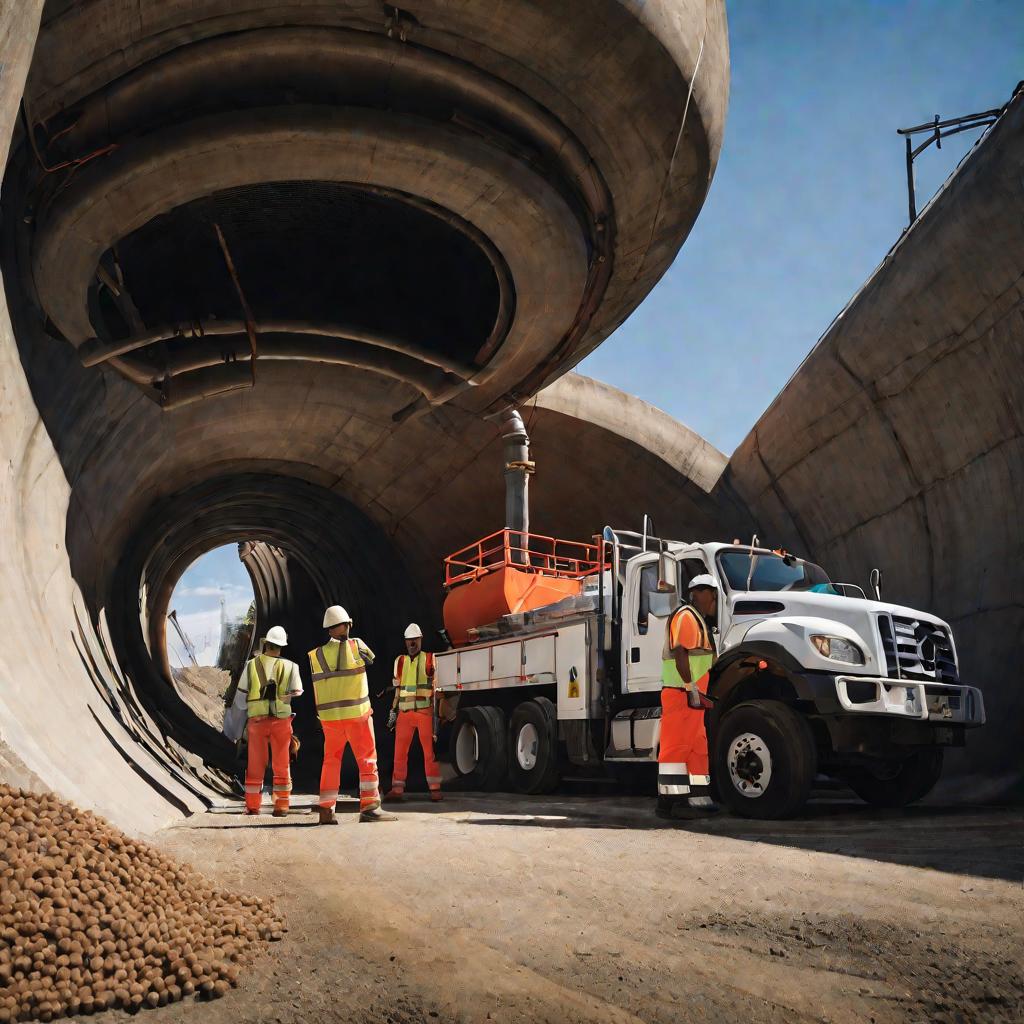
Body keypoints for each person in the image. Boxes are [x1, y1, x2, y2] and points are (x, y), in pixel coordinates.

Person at [309, 605, 396, 824]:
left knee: (331, 762)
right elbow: (372, 659)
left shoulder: (315, 655)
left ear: (328, 628)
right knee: (367, 761)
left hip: (330, 720)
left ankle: (326, 810)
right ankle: (369, 807)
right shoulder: (357, 646)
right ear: (347, 625)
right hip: (358, 716)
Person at [658, 574, 719, 818]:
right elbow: (681, 653)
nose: (714, 599)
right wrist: (690, 687)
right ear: (699, 593)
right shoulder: (686, 616)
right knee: (676, 747)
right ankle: (669, 803)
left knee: (697, 746)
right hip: (680, 693)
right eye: (711, 593)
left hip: (692, 696)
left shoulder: (698, 619)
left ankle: (699, 799)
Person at [239, 626, 302, 816]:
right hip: (281, 722)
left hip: (257, 722)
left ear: (266, 643)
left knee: (255, 764)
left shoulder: (251, 665)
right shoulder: (291, 666)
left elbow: (241, 694)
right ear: (282, 647)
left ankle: (252, 806)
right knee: (282, 763)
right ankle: (282, 806)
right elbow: (297, 691)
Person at [383, 624, 442, 802]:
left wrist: (438, 714)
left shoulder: (430, 659)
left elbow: (437, 689)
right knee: (399, 753)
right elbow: (397, 689)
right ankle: (397, 789)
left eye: (415, 640)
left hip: (425, 713)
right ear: (405, 642)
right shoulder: (399, 662)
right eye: (409, 641)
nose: (412, 644)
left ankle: (435, 789)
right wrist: (393, 711)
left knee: (429, 753)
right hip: (404, 715)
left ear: (420, 640)